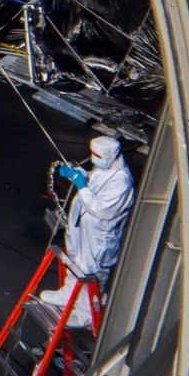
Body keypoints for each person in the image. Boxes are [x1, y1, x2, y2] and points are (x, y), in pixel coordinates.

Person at [41, 134, 136, 327]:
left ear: (110, 156)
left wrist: (81, 186)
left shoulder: (122, 182)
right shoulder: (106, 167)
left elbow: (102, 210)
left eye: (97, 155)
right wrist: (80, 175)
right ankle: (69, 294)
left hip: (100, 236)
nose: (94, 158)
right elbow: (95, 183)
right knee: (75, 260)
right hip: (85, 227)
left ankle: (86, 315)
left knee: (90, 271)